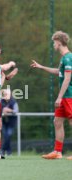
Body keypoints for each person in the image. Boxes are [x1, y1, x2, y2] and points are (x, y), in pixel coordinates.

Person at [31, 31, 72, 160]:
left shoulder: (68, 57)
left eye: (54, 42)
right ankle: (57, 152)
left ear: (59, 42)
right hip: (64, 96)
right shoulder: (63, 58)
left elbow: (67, 78)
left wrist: (59, 96)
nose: (53, 44)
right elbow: (58, 72)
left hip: (69, 96)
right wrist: (40, 66)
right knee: (57, 121)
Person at [1, 89, 19, 156]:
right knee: (6, 136)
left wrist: (9, 110)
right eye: (5, 94)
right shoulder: (1, 101)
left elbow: (16, 111)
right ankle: (8, 151)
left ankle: (3, 150)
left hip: (11, 122)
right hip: (3, 122)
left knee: (8, 135)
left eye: (7, 94)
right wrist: (3, 111)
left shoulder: (14, 102)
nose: (6, 96)